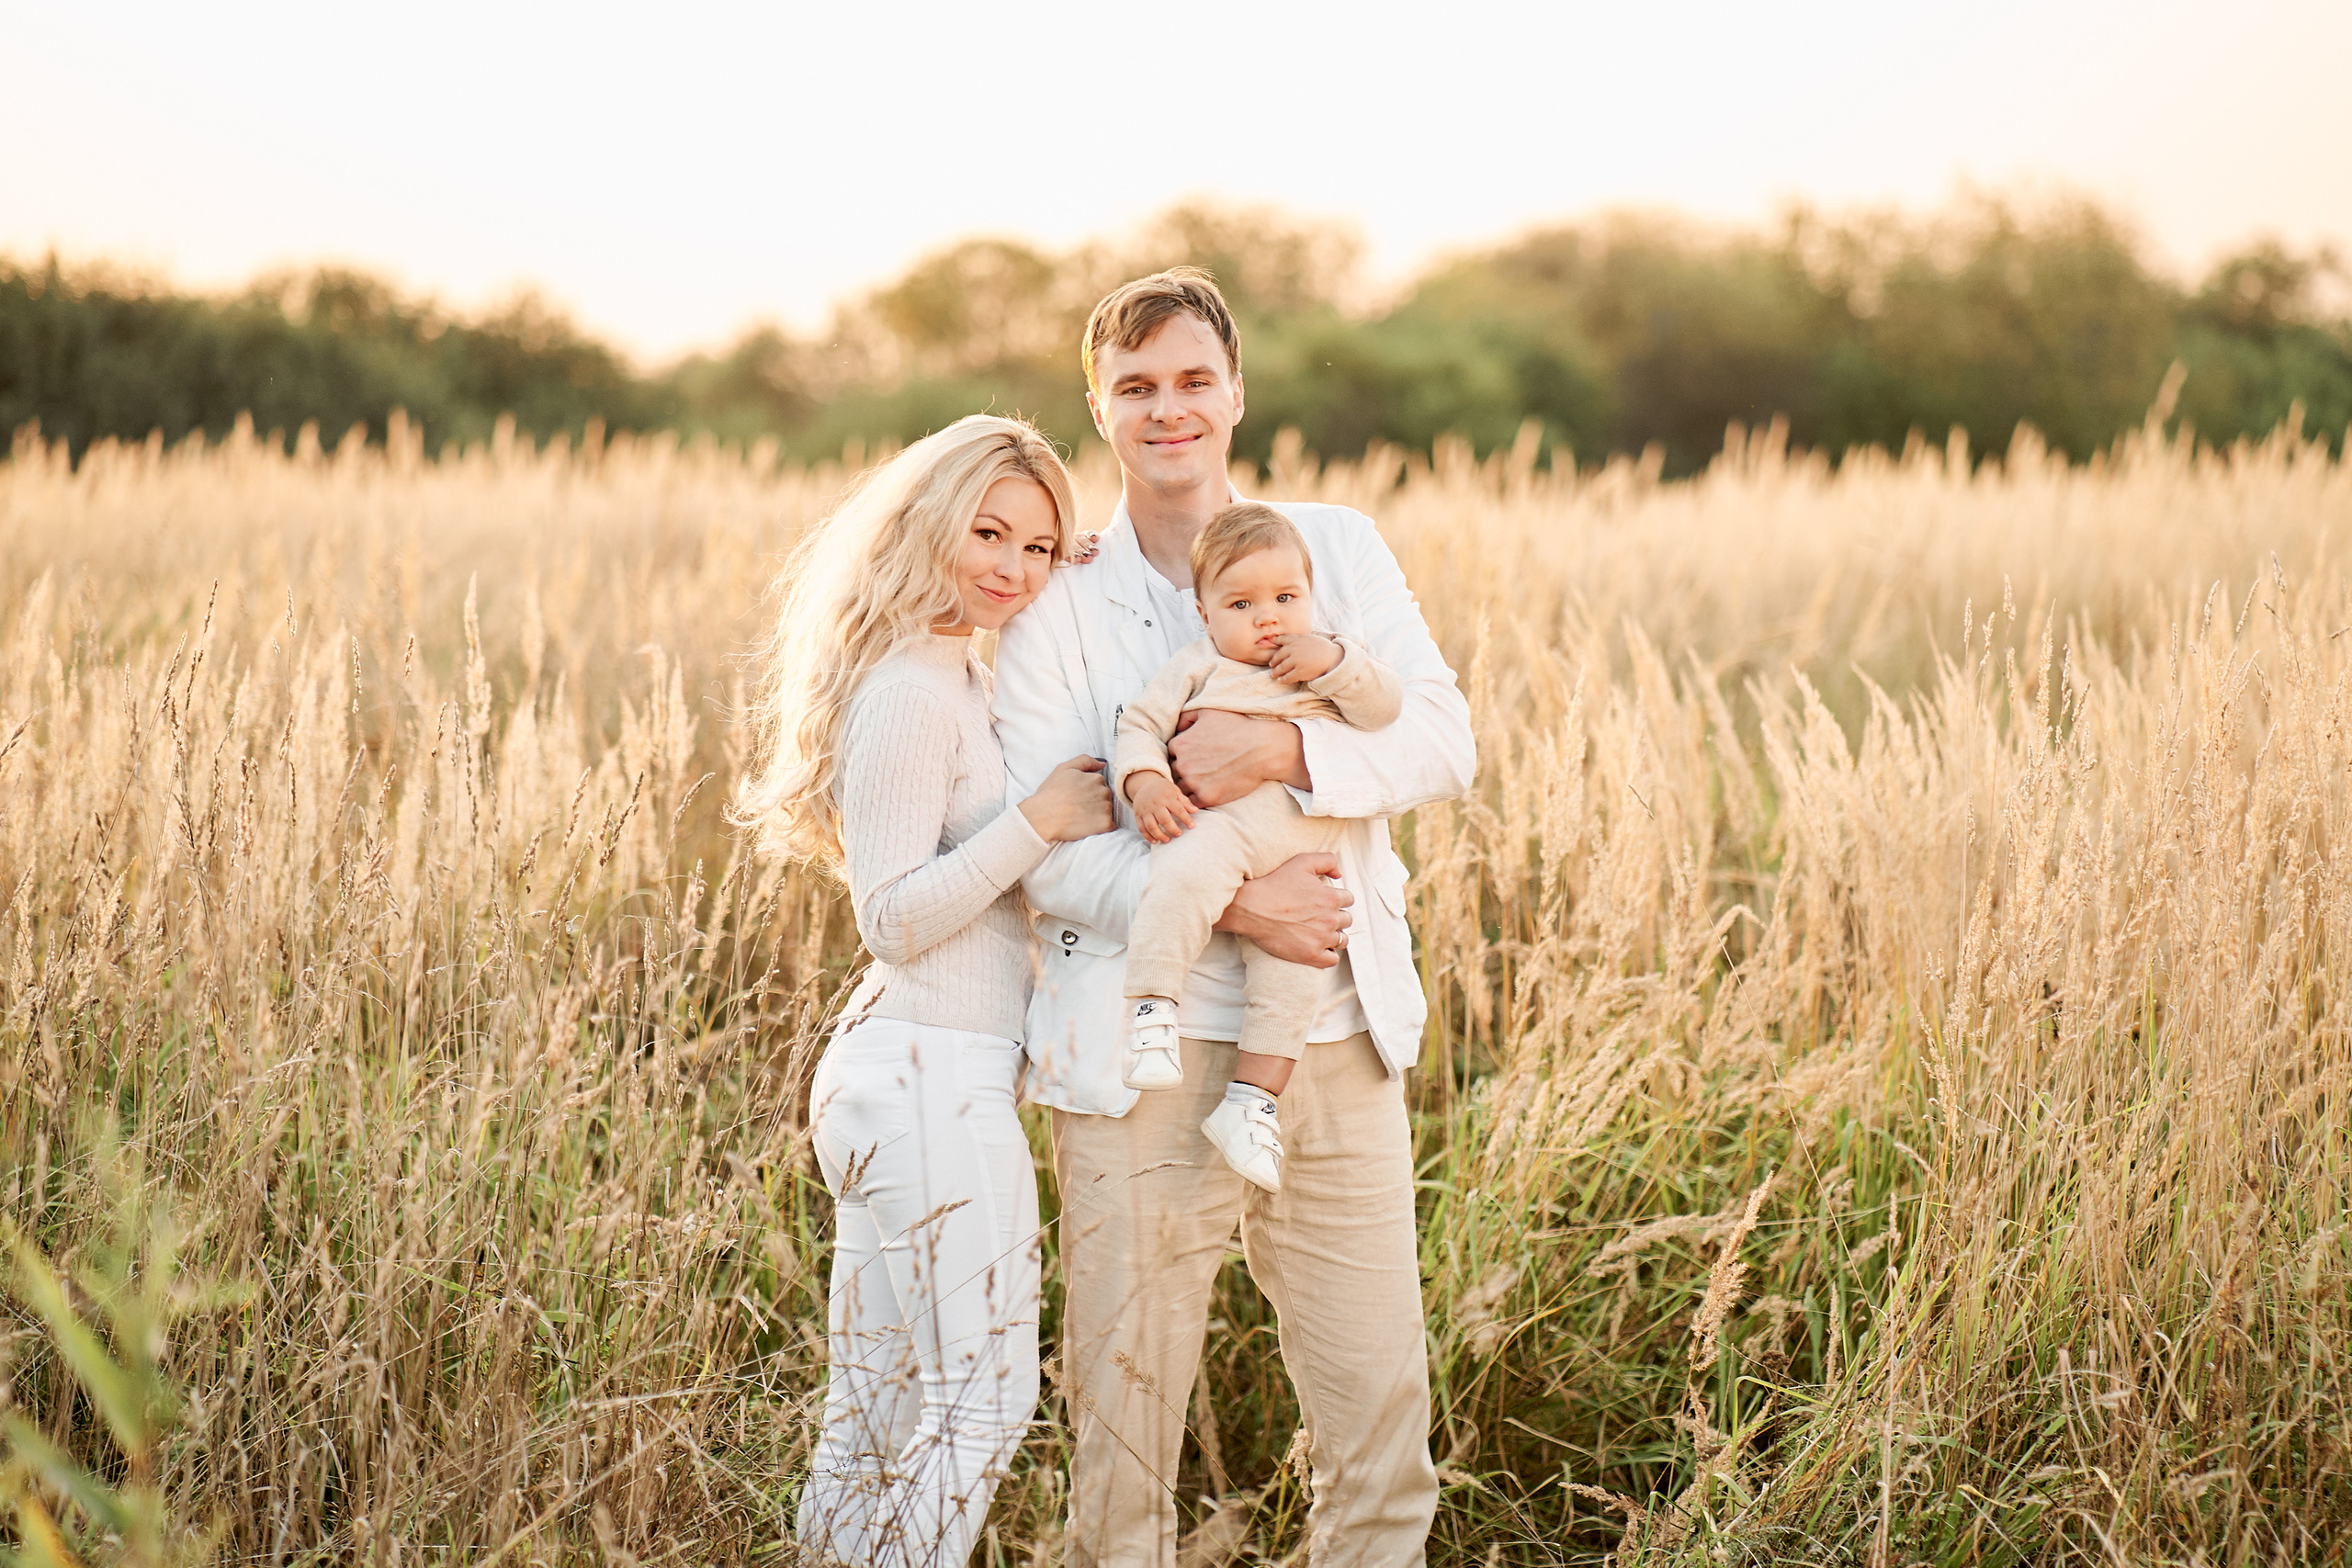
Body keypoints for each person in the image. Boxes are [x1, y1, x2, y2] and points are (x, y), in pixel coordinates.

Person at [993, 269, 1476, 1565]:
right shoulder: (1056, 603)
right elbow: (1049, 850)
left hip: (1338, 1045)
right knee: (1125, 1458)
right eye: (1137, 387)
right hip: (1139, 1065)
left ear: (1237, 392)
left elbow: (1443, 739)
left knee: (1384, 1441)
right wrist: (1236, 906)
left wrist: (1284, 755)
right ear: (1100, 408)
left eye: (1194, 380)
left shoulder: (1339, 548)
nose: (1170, 409)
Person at [736, 414, 1114, 1567]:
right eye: (984, 534)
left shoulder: (952, 665)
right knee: (983, 1401)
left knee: (876, 1417)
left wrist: (1076, 568)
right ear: (925, 530)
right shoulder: (910, 689)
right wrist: (1036, 822)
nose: (1009, 566)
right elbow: (890, 916)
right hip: (924, 1078)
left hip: (903, 1078)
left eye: (1036, 547)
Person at [1114, 502, 1403, 1191]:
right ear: (1205, 615)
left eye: (1285, 597)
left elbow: (1385, 708)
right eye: (1241, 603)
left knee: (1296, 976)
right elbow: (1139, 726)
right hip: (1220, 830)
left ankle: (1253, 1103)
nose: (1268, 617)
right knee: (1179, 876)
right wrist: (1147, 781)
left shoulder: (1325, 662)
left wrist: (1332, 661)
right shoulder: (1197, 665)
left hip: (1303, 861)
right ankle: (1152, 1005)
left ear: (1310, 597)